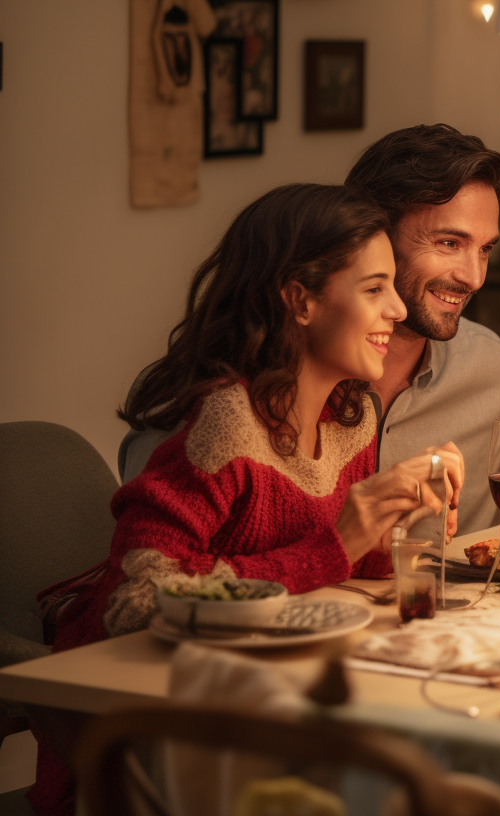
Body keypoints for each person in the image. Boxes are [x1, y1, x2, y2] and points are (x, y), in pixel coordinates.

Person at [33, 183, 463, 815]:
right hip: (155, 740)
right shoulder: (227, 426)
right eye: (374, 289)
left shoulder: (353, 418)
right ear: (301, 300)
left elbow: (342, 574)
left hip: (271, 695)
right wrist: (341, 540)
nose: (398, 309)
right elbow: (136, 603)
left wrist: (402, 521)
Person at [120, 125, 500, 533]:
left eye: (485, 249)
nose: (473, 277)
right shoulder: (268, 384)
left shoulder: (482, 360)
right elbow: (161, 516)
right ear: (372, 233)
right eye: (448, 243)